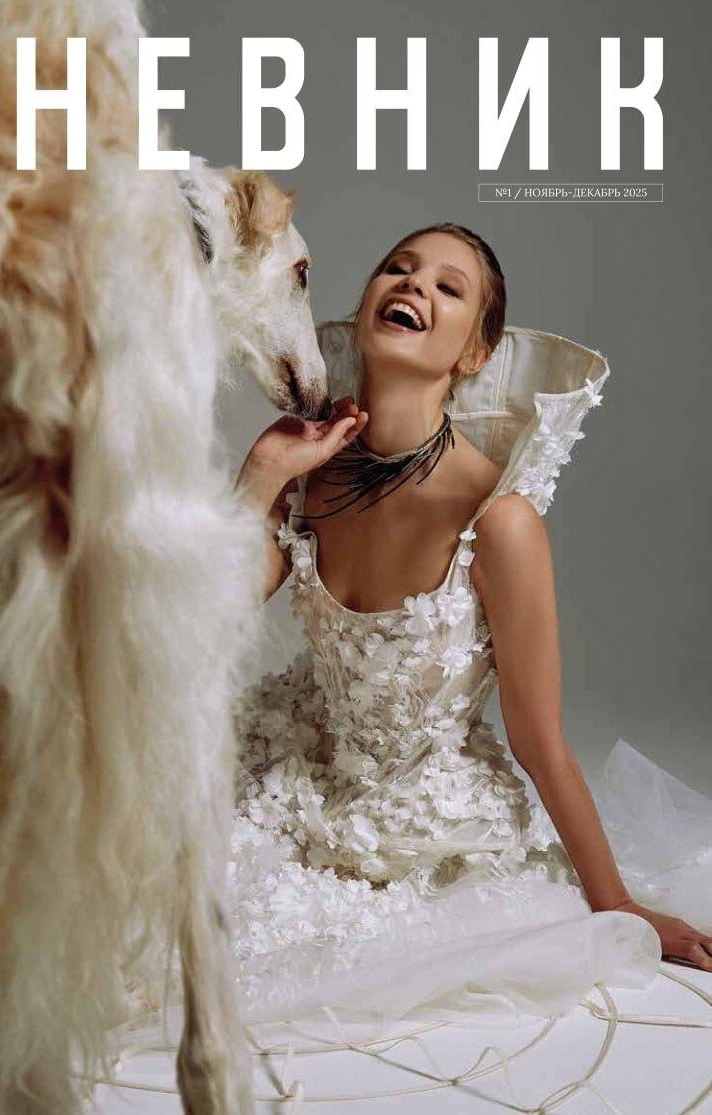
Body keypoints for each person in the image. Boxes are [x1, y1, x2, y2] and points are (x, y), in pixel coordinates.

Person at [114, 224, 712, 1058]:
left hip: (424, 824)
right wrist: (262, 473)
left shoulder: (498, 519)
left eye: (447, 286)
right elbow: (202, 614)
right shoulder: (310, 473)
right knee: (118, 850)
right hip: (296, 767)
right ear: (365, 304)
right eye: (398, 269)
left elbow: (538, 739)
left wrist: (616, 906)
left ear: (474, 353)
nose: (413, 285)